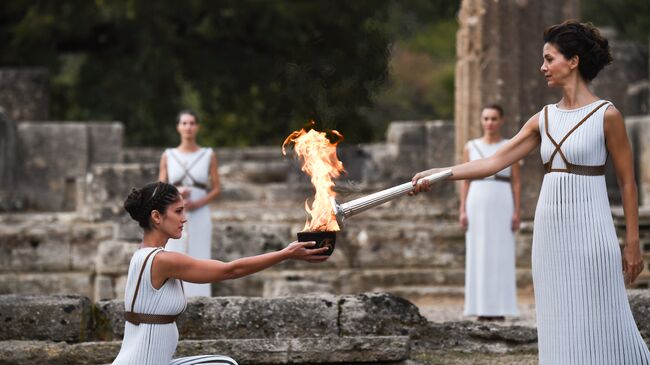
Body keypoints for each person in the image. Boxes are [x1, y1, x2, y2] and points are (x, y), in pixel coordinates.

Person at [411, 20, 650, 363]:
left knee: (602, 311)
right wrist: (441, 173)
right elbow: (494, 162)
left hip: (591, 229)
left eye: (549, 59)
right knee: (557, 317)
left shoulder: (607, 115)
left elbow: (628, 182)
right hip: (550, 234)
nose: (542, 67)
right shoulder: (543, 118)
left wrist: (632, 243)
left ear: (574, 61)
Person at [112, 181, 328, 365]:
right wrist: (285, 254)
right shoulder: (162, 260)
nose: (184, 218)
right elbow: (230, 270)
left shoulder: (145, 255)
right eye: (178, 211)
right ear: (157, 217)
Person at [459, 104, 520, 321]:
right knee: (478, 251)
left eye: (494, 118)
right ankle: (480, 306)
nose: (489, 123)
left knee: (502, 252)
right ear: (481, 121)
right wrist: (462, 209)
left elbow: (516, 182)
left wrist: (516, 211)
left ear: (501, 120)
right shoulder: (471, 146)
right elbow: (465, 180)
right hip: (477, 198)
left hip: (502, 198)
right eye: (486, 118)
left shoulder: (510, 146)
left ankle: (501, 306)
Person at [159, 110, 219, 297]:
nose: (188, 127)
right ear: (178, 127)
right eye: (184, 123)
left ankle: (200, 299)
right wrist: (176, 194)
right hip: (173, 212)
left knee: (200, 254)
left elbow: (217, 188)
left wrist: (198, 202)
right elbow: (160, 187)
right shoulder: (168, 155)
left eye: (192, 123)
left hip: (200, 212)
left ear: (197, 127)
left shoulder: (208, 154)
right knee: (173, 254)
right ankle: (171, 298)